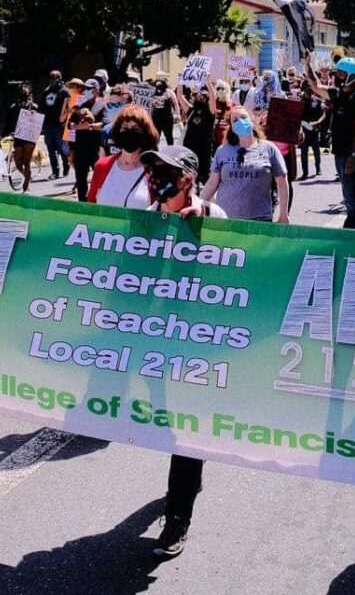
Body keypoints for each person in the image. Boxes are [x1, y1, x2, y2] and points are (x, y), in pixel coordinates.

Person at [141, 145, 226, 557]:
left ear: (189, 180)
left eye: (165, 172)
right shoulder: (143, 217)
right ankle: (188, 485)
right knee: (164, 423)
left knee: (186, 430)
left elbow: (241, 247)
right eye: (153, 171)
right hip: (153, 340)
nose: (156, 179)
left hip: (197, 347)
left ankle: (177, 518)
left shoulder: (212, 215)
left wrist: (203, 220)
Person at [309, 56, 355, 229]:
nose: (338, 77)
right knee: (352, 192)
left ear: (352, 76)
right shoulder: (336, 94)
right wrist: (308, 65)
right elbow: (316, 86)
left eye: (342, 74)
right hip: (340, 151)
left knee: (350, 195)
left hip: (353, 154)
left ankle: (350, 229)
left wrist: (353, 155)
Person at [202, 106, 289, 223]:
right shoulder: (222, 151)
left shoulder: (269, 148)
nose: (240, 122)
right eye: (235, 120)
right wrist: (197, 205)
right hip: (226, 219)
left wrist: (283, 214)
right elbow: (212, 184)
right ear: (232, 128)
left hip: (259, 220)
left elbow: (282, 182)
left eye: (243, 117)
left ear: (252, 121)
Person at [86, 105, 159, 208]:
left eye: (135, 129)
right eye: (125, 127)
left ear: (145, 133)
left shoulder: (154, 170)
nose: (129, 132)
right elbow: (90, 208)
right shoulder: (102, 166)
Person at [178, 82, 218, 190]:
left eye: (203, 94)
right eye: (198, 94)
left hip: (204, 150)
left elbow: (213, 97)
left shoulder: (210, 112)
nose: (200, 96)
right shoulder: (191, 110)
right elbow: (180, 96)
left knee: (204, 178)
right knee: (189, 176)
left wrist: (209, 82)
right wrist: (180, 81)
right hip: (189, 148)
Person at [38, 71, 70, 179]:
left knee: (61, 148)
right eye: (51, 79)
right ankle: (55, 171)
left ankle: (66, 164)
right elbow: (41, 107)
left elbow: (69, 108)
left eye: (54, 79)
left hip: (59, 124)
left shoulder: (64, 92)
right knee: (51, 149)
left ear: (59, 80)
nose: (52, 81)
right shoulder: (46, 92)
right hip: (48, 124)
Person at [8, 84, 38, 192]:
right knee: (18, 162)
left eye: (25, 95)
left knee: (27, 161)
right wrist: (4, 134)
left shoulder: (34, 107)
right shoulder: (13, 107)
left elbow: (38, 122)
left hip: (29, 136)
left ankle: (26, 185)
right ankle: (27, 176)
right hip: (18, 136)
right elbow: (9, 122)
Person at [299, 83, 327, 179]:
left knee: (316, 151)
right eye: (308, 89)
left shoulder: (317, 101)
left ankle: (318, 168)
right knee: (304, 152)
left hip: (314, 130)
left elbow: (323, 114)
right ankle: (305, 173)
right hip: (303, 131)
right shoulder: (300, 102)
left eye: (311, 89)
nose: (309, 91)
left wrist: (317, 122)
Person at [150, 78, 179, 145]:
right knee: (156, 136)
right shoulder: (152, 92)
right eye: (157, 85)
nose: (159, 87)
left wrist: (177, 114)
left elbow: (175, 103)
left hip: (167, 118)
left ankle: (170, 150)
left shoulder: (169, 92)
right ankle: (155, 151)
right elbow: (149, 105)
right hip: (156, 118)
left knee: (169, 136)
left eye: (160, 85)